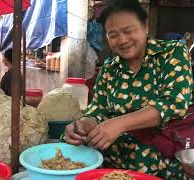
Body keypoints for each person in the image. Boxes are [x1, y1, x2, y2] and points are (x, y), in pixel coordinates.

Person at [64, 0, 193, 179]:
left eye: (128, 31)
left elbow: (175, 102)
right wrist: (84, 125)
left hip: (162, 166)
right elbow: (98, 110)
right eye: (113, 34)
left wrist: (120, 123)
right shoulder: (109, 69)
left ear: (145, 27)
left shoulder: (172, 53)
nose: (122, 40)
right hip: (114, 166)